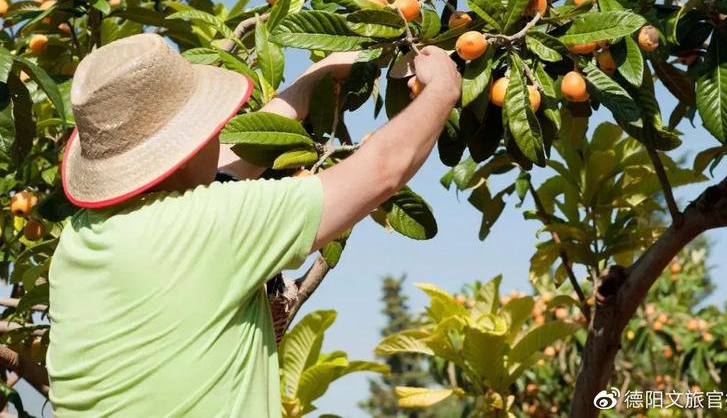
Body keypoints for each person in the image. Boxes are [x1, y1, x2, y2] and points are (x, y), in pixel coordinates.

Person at [47, 33, 461, 417]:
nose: (217, 134)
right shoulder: (212, 226)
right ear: (186, 145)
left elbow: (222, 165)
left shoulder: (78, 240)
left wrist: (315, 76)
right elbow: (382, 169)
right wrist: (442, 89)